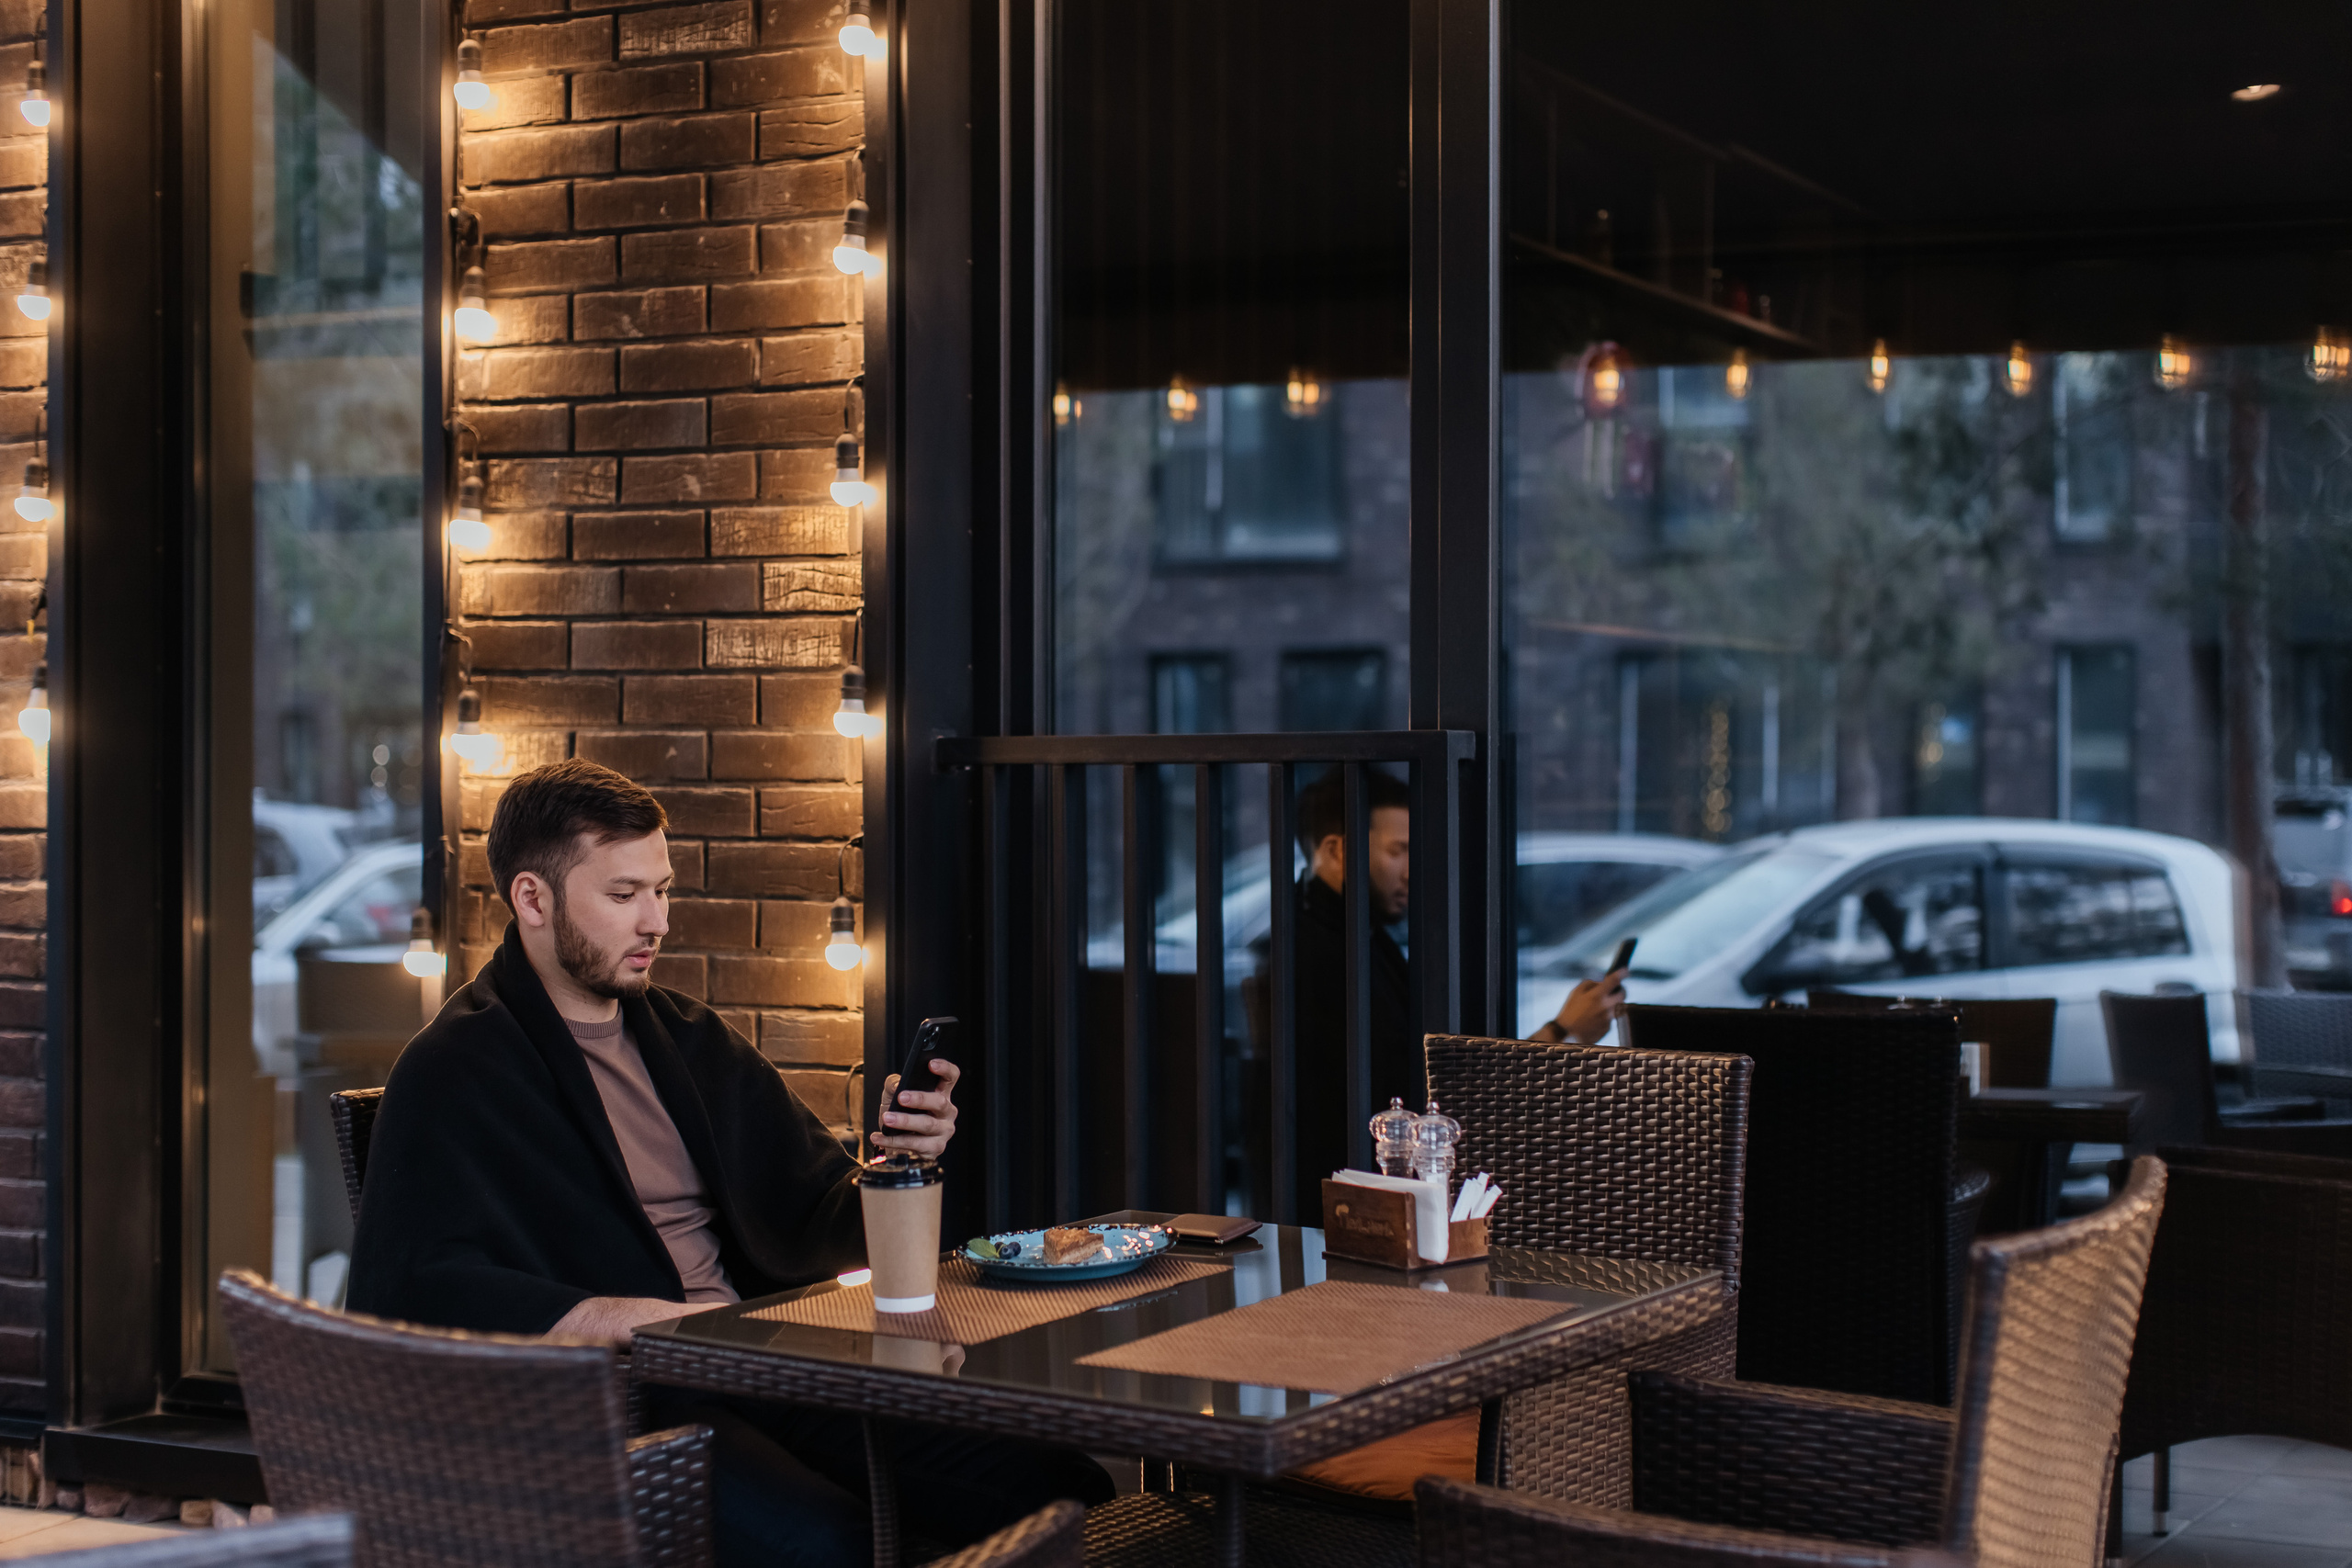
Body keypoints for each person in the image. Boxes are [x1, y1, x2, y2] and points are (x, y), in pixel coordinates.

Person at [346, 760, 1112, 1568]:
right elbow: (414, 1286)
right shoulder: (454, 1067)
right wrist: (630, 1318)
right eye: (624, 894)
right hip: (612, 1408)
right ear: (531, 898)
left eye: (663, 889)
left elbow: (816, 1213)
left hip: (759, 1363)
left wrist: (902, 1159)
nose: (657, 921)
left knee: (1058, 1485)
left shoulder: (688, 1038)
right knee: (828, 1545)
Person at [1268, 769, 1625, 1217]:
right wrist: (1561, 1031)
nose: (1411, 870)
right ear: (1337, 851)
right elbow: (1423, 1089)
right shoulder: (1325, 955)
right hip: (1352, 1202)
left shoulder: (1349, 936)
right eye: (1399, 851)